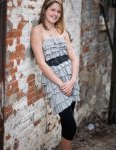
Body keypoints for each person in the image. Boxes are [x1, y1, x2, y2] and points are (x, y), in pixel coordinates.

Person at [30, 0, 80, 149]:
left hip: (70, 79)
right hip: (55, 82)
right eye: (52, 10)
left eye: (58, 12)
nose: (55, 14)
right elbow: (41, 63)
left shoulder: (62, 31)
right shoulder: (37, 31)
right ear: (45, 9)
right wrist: (61, 83)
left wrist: (72, 80)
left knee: (67, 125)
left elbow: (74, 58)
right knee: (71, 126)